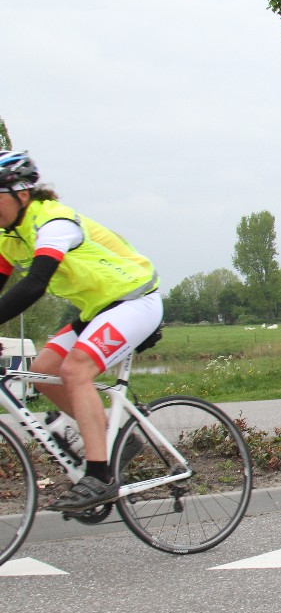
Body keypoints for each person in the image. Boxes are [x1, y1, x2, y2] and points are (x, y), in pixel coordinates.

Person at [0, 151, 163, 511]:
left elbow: (34, 284)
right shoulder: (9, 237)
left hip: (135, 300)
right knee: (43, 371)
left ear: (21, 193)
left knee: (75, 370)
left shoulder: (53, 223)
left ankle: (99, 476)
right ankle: (117, 440)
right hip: (99, 309)